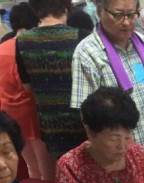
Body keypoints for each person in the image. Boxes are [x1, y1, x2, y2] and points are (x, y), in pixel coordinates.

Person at [71, 0, 144, 169]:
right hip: (127, 159)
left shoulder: (140, 41)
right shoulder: (87, 53)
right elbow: (87, 115)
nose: (127, 22)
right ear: (100, 12)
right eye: (119, 15)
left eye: (131, 14)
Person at [16, 0, 91, 160]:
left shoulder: (22, 41)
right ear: (66, 8)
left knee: (64, 167)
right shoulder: (82, 36)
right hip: (83, 121)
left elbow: (27, 87)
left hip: (50, 124)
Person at [0, 2, 56, 182]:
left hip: (10, 115)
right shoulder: (32, 48)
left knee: (32, 169)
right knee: (49, 171)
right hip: (34, 115)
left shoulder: (1, 48)